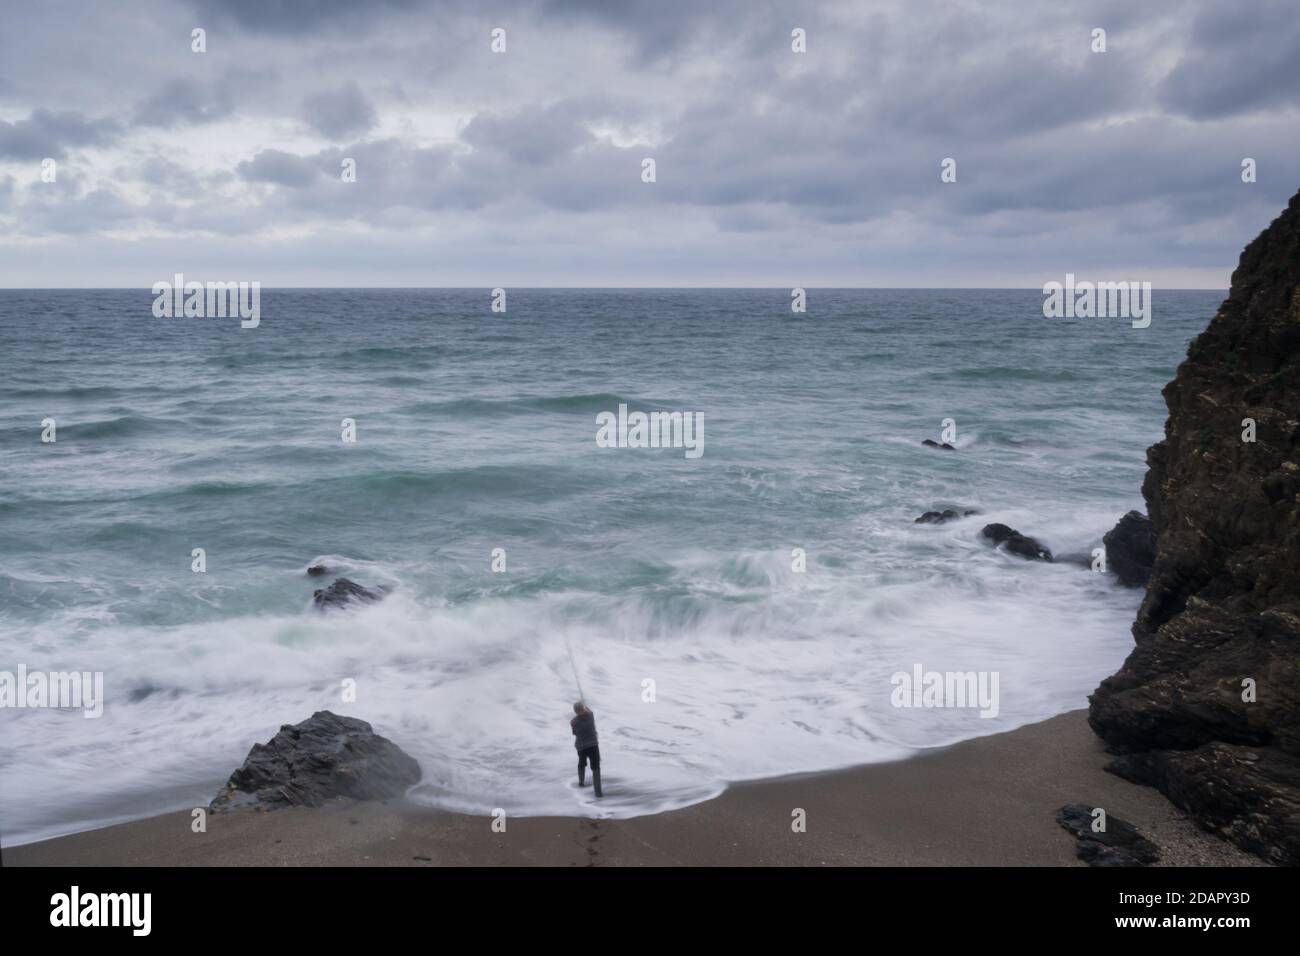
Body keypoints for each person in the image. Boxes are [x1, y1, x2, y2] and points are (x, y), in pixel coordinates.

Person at [570, 701, 602, 798]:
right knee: (596, 768)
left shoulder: (573, 721)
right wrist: (585, 704)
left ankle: (581, 783)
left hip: (581, 747)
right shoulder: (591, 716)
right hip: (593, 746)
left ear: (575, 711)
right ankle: (598, 792)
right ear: (583, 708)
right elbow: (589, 710)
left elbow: (574, 733)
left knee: (582, 764)